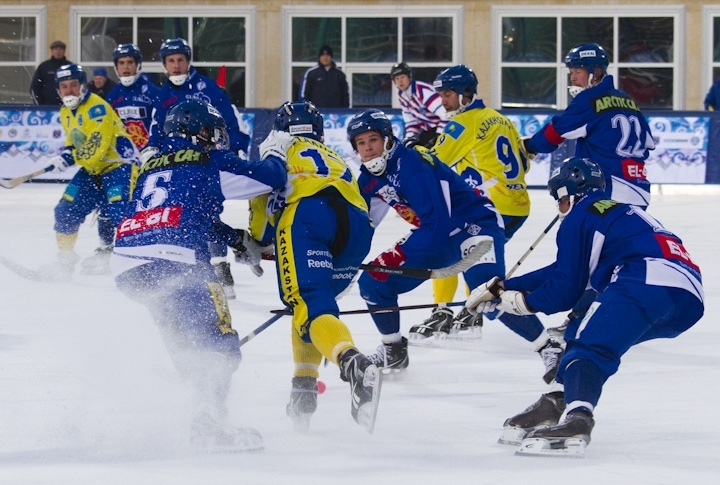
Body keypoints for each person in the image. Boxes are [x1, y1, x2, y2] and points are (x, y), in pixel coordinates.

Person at [465, 157, 704, 456]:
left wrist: (520, 303)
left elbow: (563, 291)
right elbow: (563, 270)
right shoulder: (611, 212)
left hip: (644, 279)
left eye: (559, 200)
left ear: (569, 194)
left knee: (587, 343)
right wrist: (502, 287)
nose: (559, 208)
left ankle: (578, 419)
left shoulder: (580, 215)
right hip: (686, 298)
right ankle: (556, 400)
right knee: (582, 322)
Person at [110, 99, 287, 452]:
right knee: (218, 344)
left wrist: (235, 238)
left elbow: (187, 211)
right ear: (192, 132)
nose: (215, 139)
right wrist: (276, 153)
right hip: (176, 258)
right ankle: (209, 424)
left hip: (128, 262)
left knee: (189, 349)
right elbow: (270, 178)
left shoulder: (151, 167)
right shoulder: (208, 160)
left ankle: (201, 412)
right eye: (209, 132)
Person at [410, 65, 559, 380]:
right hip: (517, 205)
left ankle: (448, 311)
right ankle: (468, 311)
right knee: (462, 254)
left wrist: (416, 150)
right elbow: (522, 164)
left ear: (465, 93)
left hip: (489, 208)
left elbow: (434, 163)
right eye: (440, 95)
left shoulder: (462, 123)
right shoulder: (501, 119)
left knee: (456, 254)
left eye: (448, 94)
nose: (443, 101)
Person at [348, 109, 513, 377]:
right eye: (361, 143)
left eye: (373, 140)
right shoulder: (369, 179)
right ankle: (393, 350)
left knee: (488, 295)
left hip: (475, 225)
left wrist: (397, 255)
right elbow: (362, 227)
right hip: (440, 234)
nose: (368, 149)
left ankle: (547, 346)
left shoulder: (411, 164)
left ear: (388, 139)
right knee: (373, 281)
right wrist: (338, 258)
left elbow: (436, 224)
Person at [251, 101, 381, 433]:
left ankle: (353, 364)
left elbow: (261, 204)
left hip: (307, 217)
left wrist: (255, 241)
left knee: (307, 300)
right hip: (356, 224)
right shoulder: (334, 156)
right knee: (314, 306)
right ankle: (303, 388)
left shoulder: (276, 149)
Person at [142, 37, 252, 299]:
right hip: (175, 165)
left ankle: (219, 265)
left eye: (181, 59)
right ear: (164, 65)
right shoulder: (162, 95)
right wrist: (151, 147)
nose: (177, 65)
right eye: (171, 61)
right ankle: (181, 265)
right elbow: (157, 128)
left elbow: (231, 122)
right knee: (178, 213)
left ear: (189, 61)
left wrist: (232, 147)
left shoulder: (208, 88)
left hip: (205, 161)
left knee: (206, 209)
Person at [524, 43, 655, 208]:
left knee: (590, 233)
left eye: (578, 72)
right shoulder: (626, 100)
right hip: (638, 188)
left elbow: (555, 133)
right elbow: (649, 142)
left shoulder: (589, 100)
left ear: (596, 72)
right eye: (571, 72)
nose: (573, 78)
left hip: (607, 190)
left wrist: (529, 145)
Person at [41, 63, 140, 280]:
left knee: (120, 213)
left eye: (74, 85)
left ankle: (130, 262)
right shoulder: (66, 111)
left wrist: (69, 158)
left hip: (119, 166)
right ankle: (65, 261)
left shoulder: (98, 108)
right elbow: (74, 141)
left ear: (83, 86)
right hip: (94, 170)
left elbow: (96, 149)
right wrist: (67, 152)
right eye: (64, 86)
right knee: (66, 209)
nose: (69, 91)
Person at [390, 62, 447, 148]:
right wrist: (408, 140)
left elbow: (446, 113)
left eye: (402, 77)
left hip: (442, 127)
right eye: (397, 78)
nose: (400, 81)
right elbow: (411, 122)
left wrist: (439, 134)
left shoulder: (422, 90)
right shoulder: (402, 95)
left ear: (409, 77)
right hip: (429, 130)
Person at [30, 40, 70, 106]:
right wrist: (39, 106)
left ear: (64, 51)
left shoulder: (70, 67)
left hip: (68, 107)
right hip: (47, 108)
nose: (58, 51)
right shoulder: (44, 67)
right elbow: (34, 88)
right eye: (56, 49)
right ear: (51, 51)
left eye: (60, 49)